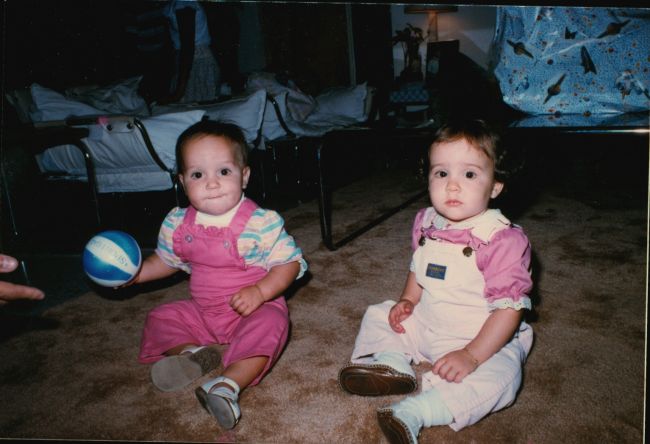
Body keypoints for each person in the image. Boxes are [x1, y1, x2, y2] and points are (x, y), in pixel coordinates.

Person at [338, 119, 533, 443]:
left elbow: (508, 310)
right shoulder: (427, 221)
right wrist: (407, 301)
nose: (452, 186)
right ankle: (393, 365)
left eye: (469, 174)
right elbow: (419, 266)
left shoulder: (501, 240)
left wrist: (471, 355)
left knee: (504, 377)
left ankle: (416, 412)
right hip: (427, 322)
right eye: (441, 173)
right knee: (379, 313)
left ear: (496, 185)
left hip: (481, 338)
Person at [132, 120, 307, 430]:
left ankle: (227, 385)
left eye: (223, 171)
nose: (211, 183)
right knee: (161, 316)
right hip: (204, 312)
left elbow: (290, 264)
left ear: (245, 175)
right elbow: (167, 260)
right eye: (198, 174)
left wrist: (261, 292)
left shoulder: (259, 223)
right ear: (183, 181)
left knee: (273, 324)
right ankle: (193, 355)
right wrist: (137, 274)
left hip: (253, 310)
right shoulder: (177, 223)